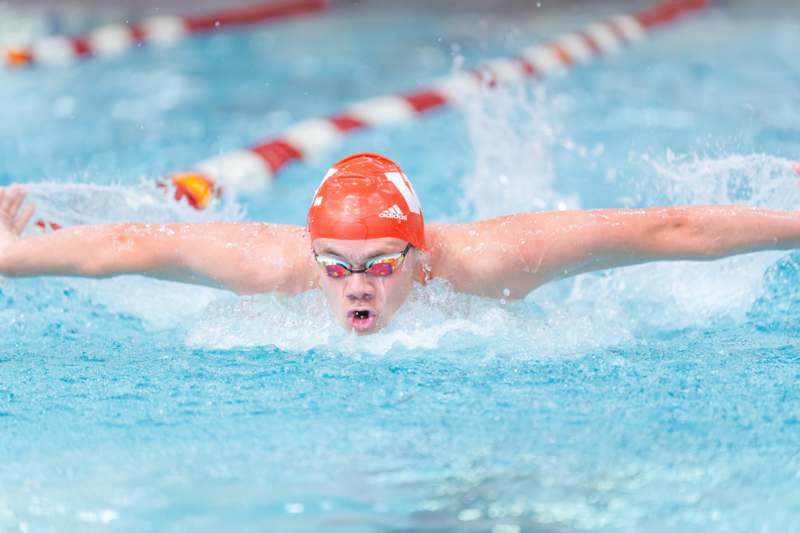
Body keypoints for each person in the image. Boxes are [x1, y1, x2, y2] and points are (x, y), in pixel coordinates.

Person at [1, 152, 799, 334]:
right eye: (338, 267)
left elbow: (670, 230)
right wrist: (11, 254)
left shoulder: (488, 262)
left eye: (381, 264)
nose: (357, 285)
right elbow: (130, 246)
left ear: (420, 258)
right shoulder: (275, 267)